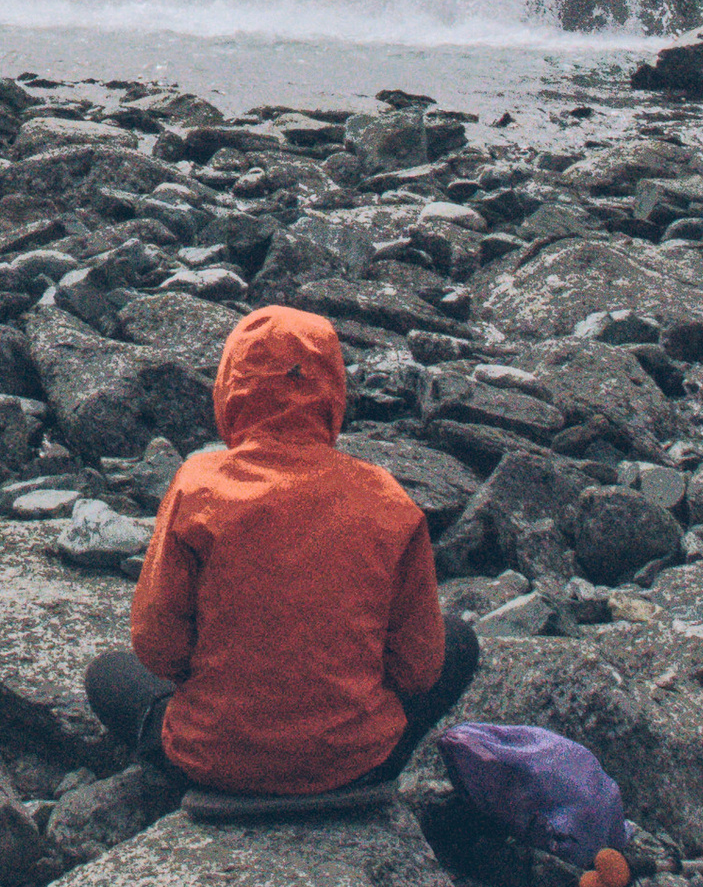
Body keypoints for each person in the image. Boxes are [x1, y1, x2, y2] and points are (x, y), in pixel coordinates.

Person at [84, 302, 478, 796]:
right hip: (356, 764)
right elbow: (417, 670)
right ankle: (342, 760)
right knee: (459, 640)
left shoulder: (197, 486)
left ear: (230, 389)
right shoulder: (386, 497)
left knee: (106, 675)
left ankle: (214, 771)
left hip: (214, 761)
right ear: (333, 391)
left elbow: (159, 649)